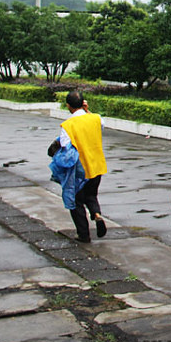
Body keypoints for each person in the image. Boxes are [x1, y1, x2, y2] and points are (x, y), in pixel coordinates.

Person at [58, 90, 108, 243]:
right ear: (83, 104)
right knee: (91, 195)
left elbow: (66, 148)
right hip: (97, 166)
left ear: (68, 106)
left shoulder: (68, 125)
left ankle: (83, 234)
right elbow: (101, 126)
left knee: (76, 201)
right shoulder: (96, 118)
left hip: (80, 170)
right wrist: (87, 111)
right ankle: (97, 215)